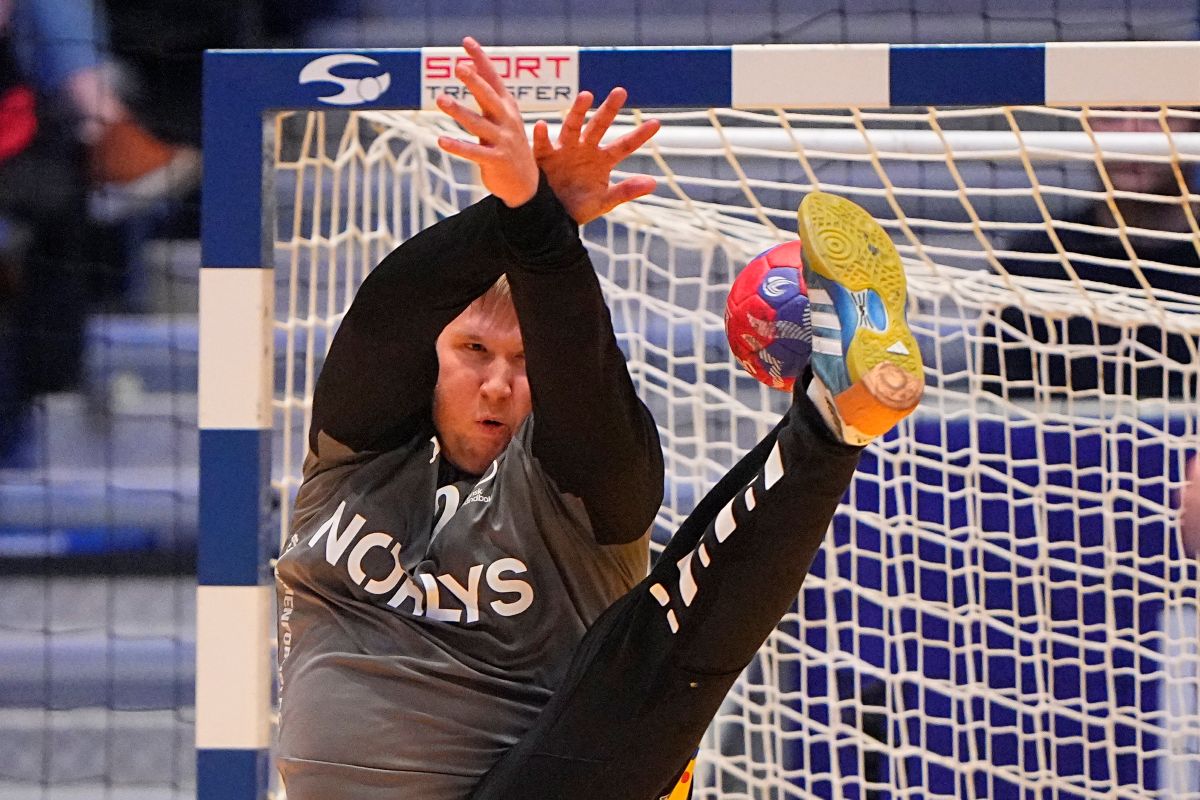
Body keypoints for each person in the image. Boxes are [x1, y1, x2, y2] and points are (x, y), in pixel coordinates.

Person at [274, 36, 924, 800]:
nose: (496, 385)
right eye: (474, 350)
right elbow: (386, 319)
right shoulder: (354, 464)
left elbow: (579, 365)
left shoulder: (582, 487)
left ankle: (831, 420)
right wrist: (519, 210)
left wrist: (538, 225)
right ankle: (830, 420)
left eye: (524, 363)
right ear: (432, 358)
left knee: (661, 639)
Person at [982, 107, 1200, 399]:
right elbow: (1000, 422)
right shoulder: (1032, 265)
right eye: (1111, 115)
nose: (1132, 135)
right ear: (1084, 123)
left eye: (1153, 114)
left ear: (1194, 125)